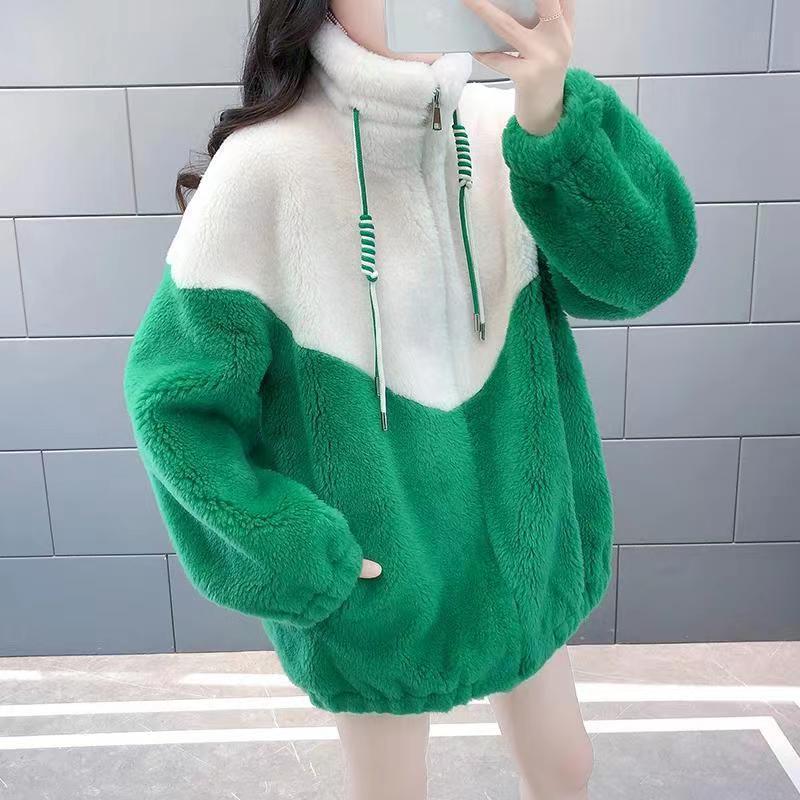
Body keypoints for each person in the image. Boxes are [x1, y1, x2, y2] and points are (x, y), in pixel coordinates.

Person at [122, 0, 697, 797]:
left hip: (525, 567)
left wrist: (556, 124)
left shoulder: (509, 131)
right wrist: (302, 558)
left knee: (566, 768)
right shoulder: (263, 169)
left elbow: (643, 272)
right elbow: (174, 405)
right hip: (382, 594)